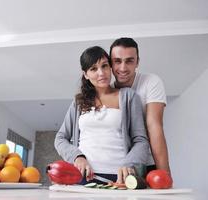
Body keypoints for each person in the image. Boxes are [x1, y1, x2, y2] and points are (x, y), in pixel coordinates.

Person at [54, 46, 150, 184]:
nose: (101, 73)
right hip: (83, 177)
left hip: (119, 179)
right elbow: (60, 138)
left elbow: (141, 140)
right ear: (85, 74)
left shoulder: (128, 96)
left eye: (104, 66)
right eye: (93, 69)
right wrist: (77, 157)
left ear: (110, 67)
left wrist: (129, 164)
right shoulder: (78, 102)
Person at [109, 37, 171, 175]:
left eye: (129, 61)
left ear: (137, 62)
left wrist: (165, 174)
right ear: (110, 64)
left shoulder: (151, 82)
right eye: (117, 61)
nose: (123, 68)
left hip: (147, 163)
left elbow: (154, 126)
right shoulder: (107, 92)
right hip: (117, 167)